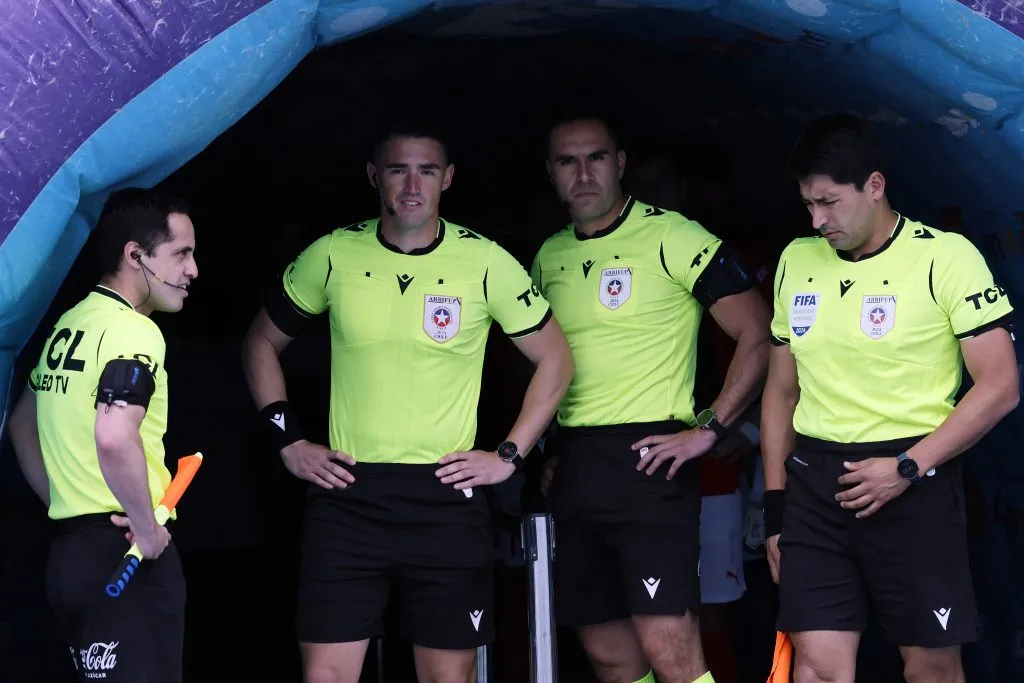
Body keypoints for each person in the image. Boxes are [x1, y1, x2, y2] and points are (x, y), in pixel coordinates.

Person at [241, 125, 574, 683]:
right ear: (375, 177)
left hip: (445, 496)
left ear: (447, 179)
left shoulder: (486, 261)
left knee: (448, 677)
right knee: (324, 676)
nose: (412, 184)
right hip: (347, 495)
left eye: (426, 170)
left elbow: (556, 359)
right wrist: (288, 440)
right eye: (398, 169)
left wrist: (508, 456)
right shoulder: (332, 253)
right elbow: (260, 342)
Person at [761, 113, 1020, 683]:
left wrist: (907, 466)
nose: (817, 219)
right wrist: (776, 506)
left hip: (913, 476)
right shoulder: (795, 260)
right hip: (814, 483)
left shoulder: (945, 256)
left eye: (829, 202)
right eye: (808, 204)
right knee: (819, 664)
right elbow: (781, 389)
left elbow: (1000, 385)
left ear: (874, 185)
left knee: (930, 667)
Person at [533, 116, 771, 683]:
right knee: (609, 654)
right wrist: (548, 453)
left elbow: (758, 333)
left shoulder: (675, 235)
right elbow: (545, 368)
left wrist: (710, 429)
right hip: (578, 465)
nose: (584, 174)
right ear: (551, 173)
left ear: (620, 163)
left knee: (670, 644)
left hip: (652, 458)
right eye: (568, 162)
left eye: (596, 158)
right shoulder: (548, 256)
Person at [7, 187, 199, 683]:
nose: (193, 270)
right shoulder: (133, 331)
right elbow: (114, 434)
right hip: (125, 553)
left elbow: (20, 421)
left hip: (72, 554)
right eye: (181, 254)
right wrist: (148, 529)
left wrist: (63, 500)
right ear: (135, 255)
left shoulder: (69, 324)